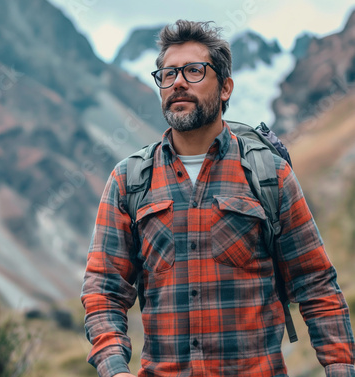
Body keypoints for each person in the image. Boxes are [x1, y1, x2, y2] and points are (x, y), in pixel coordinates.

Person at [81, 20, 355, 377]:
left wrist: (340, 367)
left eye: (194, 71)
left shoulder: (269, 175)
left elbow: (316, 284)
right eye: (167, 74)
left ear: (225, 87)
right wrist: (114, 367)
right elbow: (104, 289)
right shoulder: (128, 181)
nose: (177, 82)